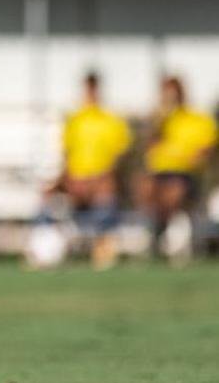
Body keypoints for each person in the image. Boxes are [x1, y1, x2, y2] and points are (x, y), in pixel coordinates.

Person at [32, 72, 132, 269]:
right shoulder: (74, 121)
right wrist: (65, 181)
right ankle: (41, 251)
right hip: (75, 182)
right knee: (46, 197)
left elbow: (120, 160)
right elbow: (67, 158)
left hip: (101, 182)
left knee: (106, 193)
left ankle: (103, 249)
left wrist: (97, 180)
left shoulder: (111, 121)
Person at [137, 75, 218, 258]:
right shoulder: (161, 120)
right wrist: (160, 119)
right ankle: (156, 235)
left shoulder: (198, 119)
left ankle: (167, 236)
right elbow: (148, 146)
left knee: (174, 190)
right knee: (146, 187)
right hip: (159, 173)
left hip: (186, 174)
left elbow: (207, 150)